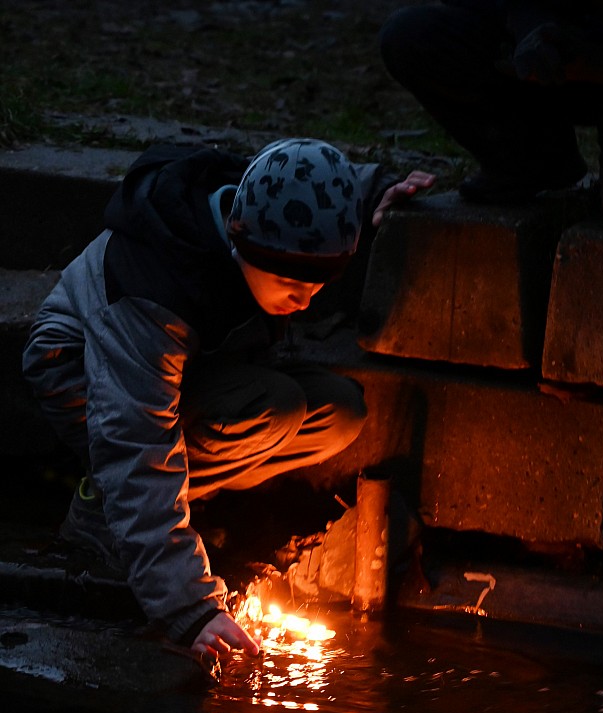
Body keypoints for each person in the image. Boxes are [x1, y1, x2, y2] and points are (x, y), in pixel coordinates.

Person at [22, 137, 434, 663]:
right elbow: (134, 446)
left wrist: (376, 189)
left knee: (338, 412)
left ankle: (179, 512)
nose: (305, 300)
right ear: (243, 244)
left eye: (321, 283)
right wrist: (190, 609)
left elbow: (310, 176)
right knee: (272, 406)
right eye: (290, 281)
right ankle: (99, 513)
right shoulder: (154, 286)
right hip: (83, 371)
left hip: (201, 361)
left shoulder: (259, 193)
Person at [378, 1, 603, 221]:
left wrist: (601, 62)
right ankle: (532, 160)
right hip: (540, 54)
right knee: (410, 34)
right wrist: (527, 21)